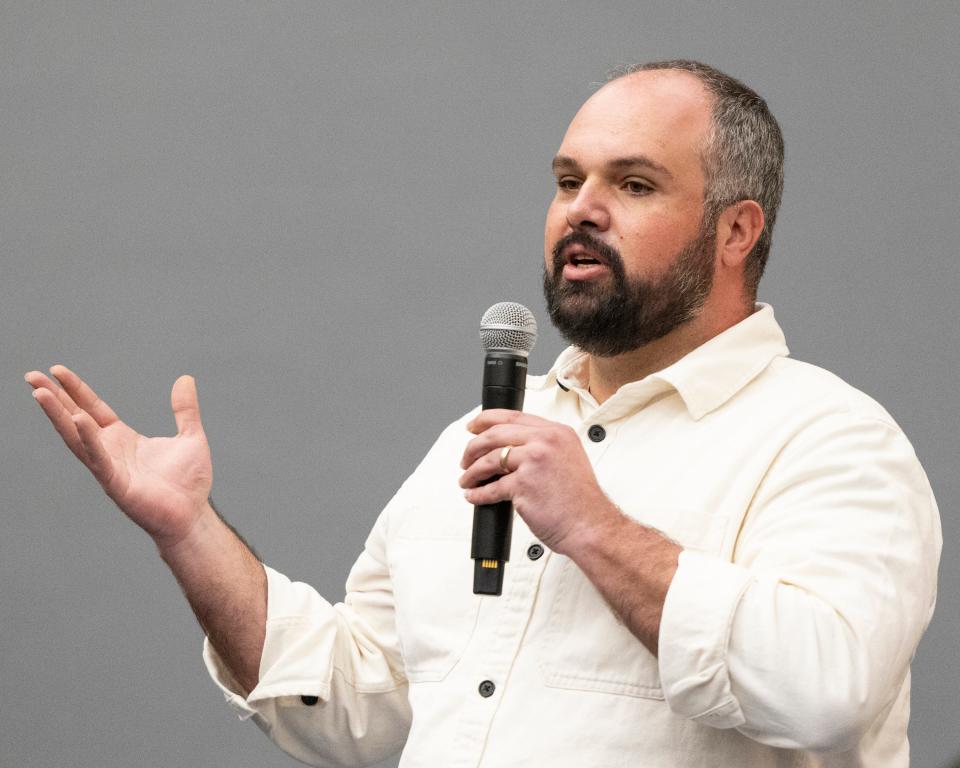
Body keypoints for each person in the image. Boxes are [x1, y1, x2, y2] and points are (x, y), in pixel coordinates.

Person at [26, 60, 941, 767]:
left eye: (632, 185)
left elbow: (826, 685)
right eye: (566, 180)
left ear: (737, 231)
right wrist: (188, 532)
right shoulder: (482, 437)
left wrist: (591, 525)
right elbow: (352, 705)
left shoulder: (833, 441)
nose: (579, 212)